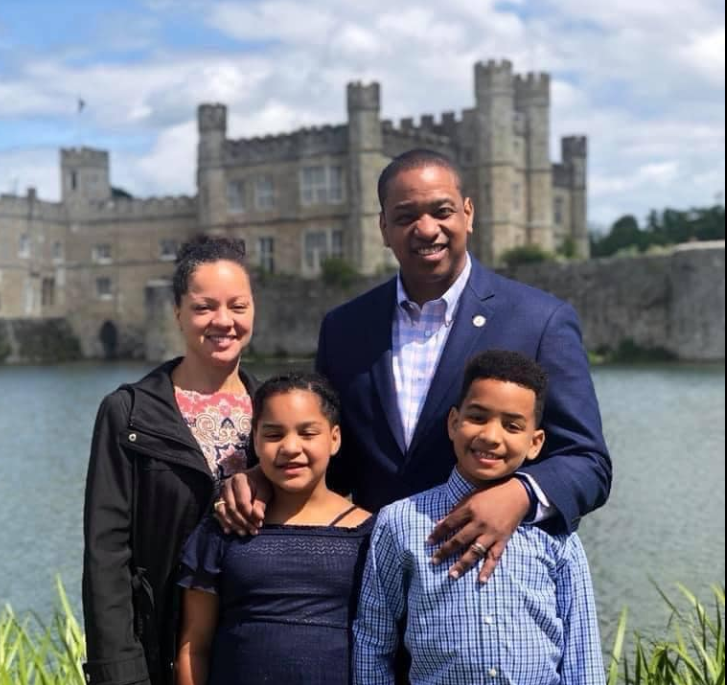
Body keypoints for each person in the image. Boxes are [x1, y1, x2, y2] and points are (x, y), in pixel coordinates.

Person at [220, 148, 611, 584]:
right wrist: (264, 478)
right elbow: (336, 459)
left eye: (441, 211)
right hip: (374, 584)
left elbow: (587, 461)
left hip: (489, 583)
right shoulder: (344, 328)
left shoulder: (539, 321)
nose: (426, 229)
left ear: (468, 213)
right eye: (406, 216)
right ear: (383, 228)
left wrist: (518, 495)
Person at [353, 349, 605, 684]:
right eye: (477, 417)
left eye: (512, 426)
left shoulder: (556, 530)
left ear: (535, 442)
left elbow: (582, 653)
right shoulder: (400, 522)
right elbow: (373, 641)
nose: (490, 436)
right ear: (453, 423)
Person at [82, 235, 259, 685]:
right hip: (161, 649)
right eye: (204, 307)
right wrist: (119, 673)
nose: (224, 321)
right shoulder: (127, 413)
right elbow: (106, 557)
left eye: (238, 306)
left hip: (257, 651)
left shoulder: (279, 416)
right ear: (177, 312)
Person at [176, 372, 373, 685]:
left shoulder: (371, 534)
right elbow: (194, 647)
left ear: (334, 438)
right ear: (255, 439)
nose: (291, 447)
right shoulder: (226, 526)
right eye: (273, 434)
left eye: (308, 433)